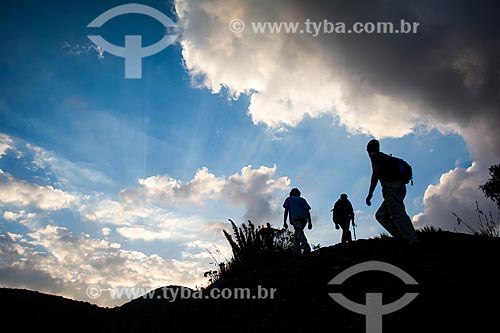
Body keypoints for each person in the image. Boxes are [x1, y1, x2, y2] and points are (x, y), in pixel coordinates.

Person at [365, 139, 418, 242]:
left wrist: (370, 194)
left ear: (369, 150)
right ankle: (401, 237)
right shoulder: (386, 157)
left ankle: (412, 239)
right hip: (399, 187)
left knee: (398, 213)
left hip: (391, 187)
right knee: (381, 215)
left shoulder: (376, 156)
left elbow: (375, 174)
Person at [283, 188, 312, 254]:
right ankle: (296, 251)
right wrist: (310, 222)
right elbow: (308, 212)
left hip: (295, 218)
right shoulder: (303, 200)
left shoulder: (289, 199)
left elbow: (286, 211)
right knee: (297, 234)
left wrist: (284, 222)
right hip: (304, 219)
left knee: (300, 233)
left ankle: (306, 247)